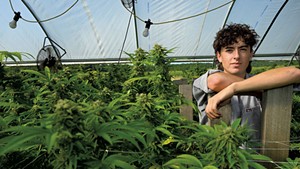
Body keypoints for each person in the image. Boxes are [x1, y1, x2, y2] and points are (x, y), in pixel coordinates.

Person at [192, 23, 300, 141]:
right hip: (217, 156)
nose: (237, 56)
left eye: (243, 49)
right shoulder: (204, 81)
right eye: (229, 50)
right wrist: (261, 87)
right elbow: (216, 81)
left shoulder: (258, 80)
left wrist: (233, 88)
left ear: (251, 54)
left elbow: (295, 73)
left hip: (258, 157)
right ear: (219, 56)